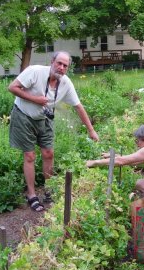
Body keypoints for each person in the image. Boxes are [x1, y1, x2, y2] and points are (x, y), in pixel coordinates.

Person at [9, 51, 99, 212]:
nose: (61, 67)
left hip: (44, 118)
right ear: (52, 61)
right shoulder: (35, 72)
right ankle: (31, 194)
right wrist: (35, 99)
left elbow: (78, 106)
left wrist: (91, 131)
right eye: (59, 63)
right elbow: (12, 87)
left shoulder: (65, 83)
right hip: (24, 115)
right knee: (30, 155)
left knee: (49, 153)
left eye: (65, 65)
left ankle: (49, 189)